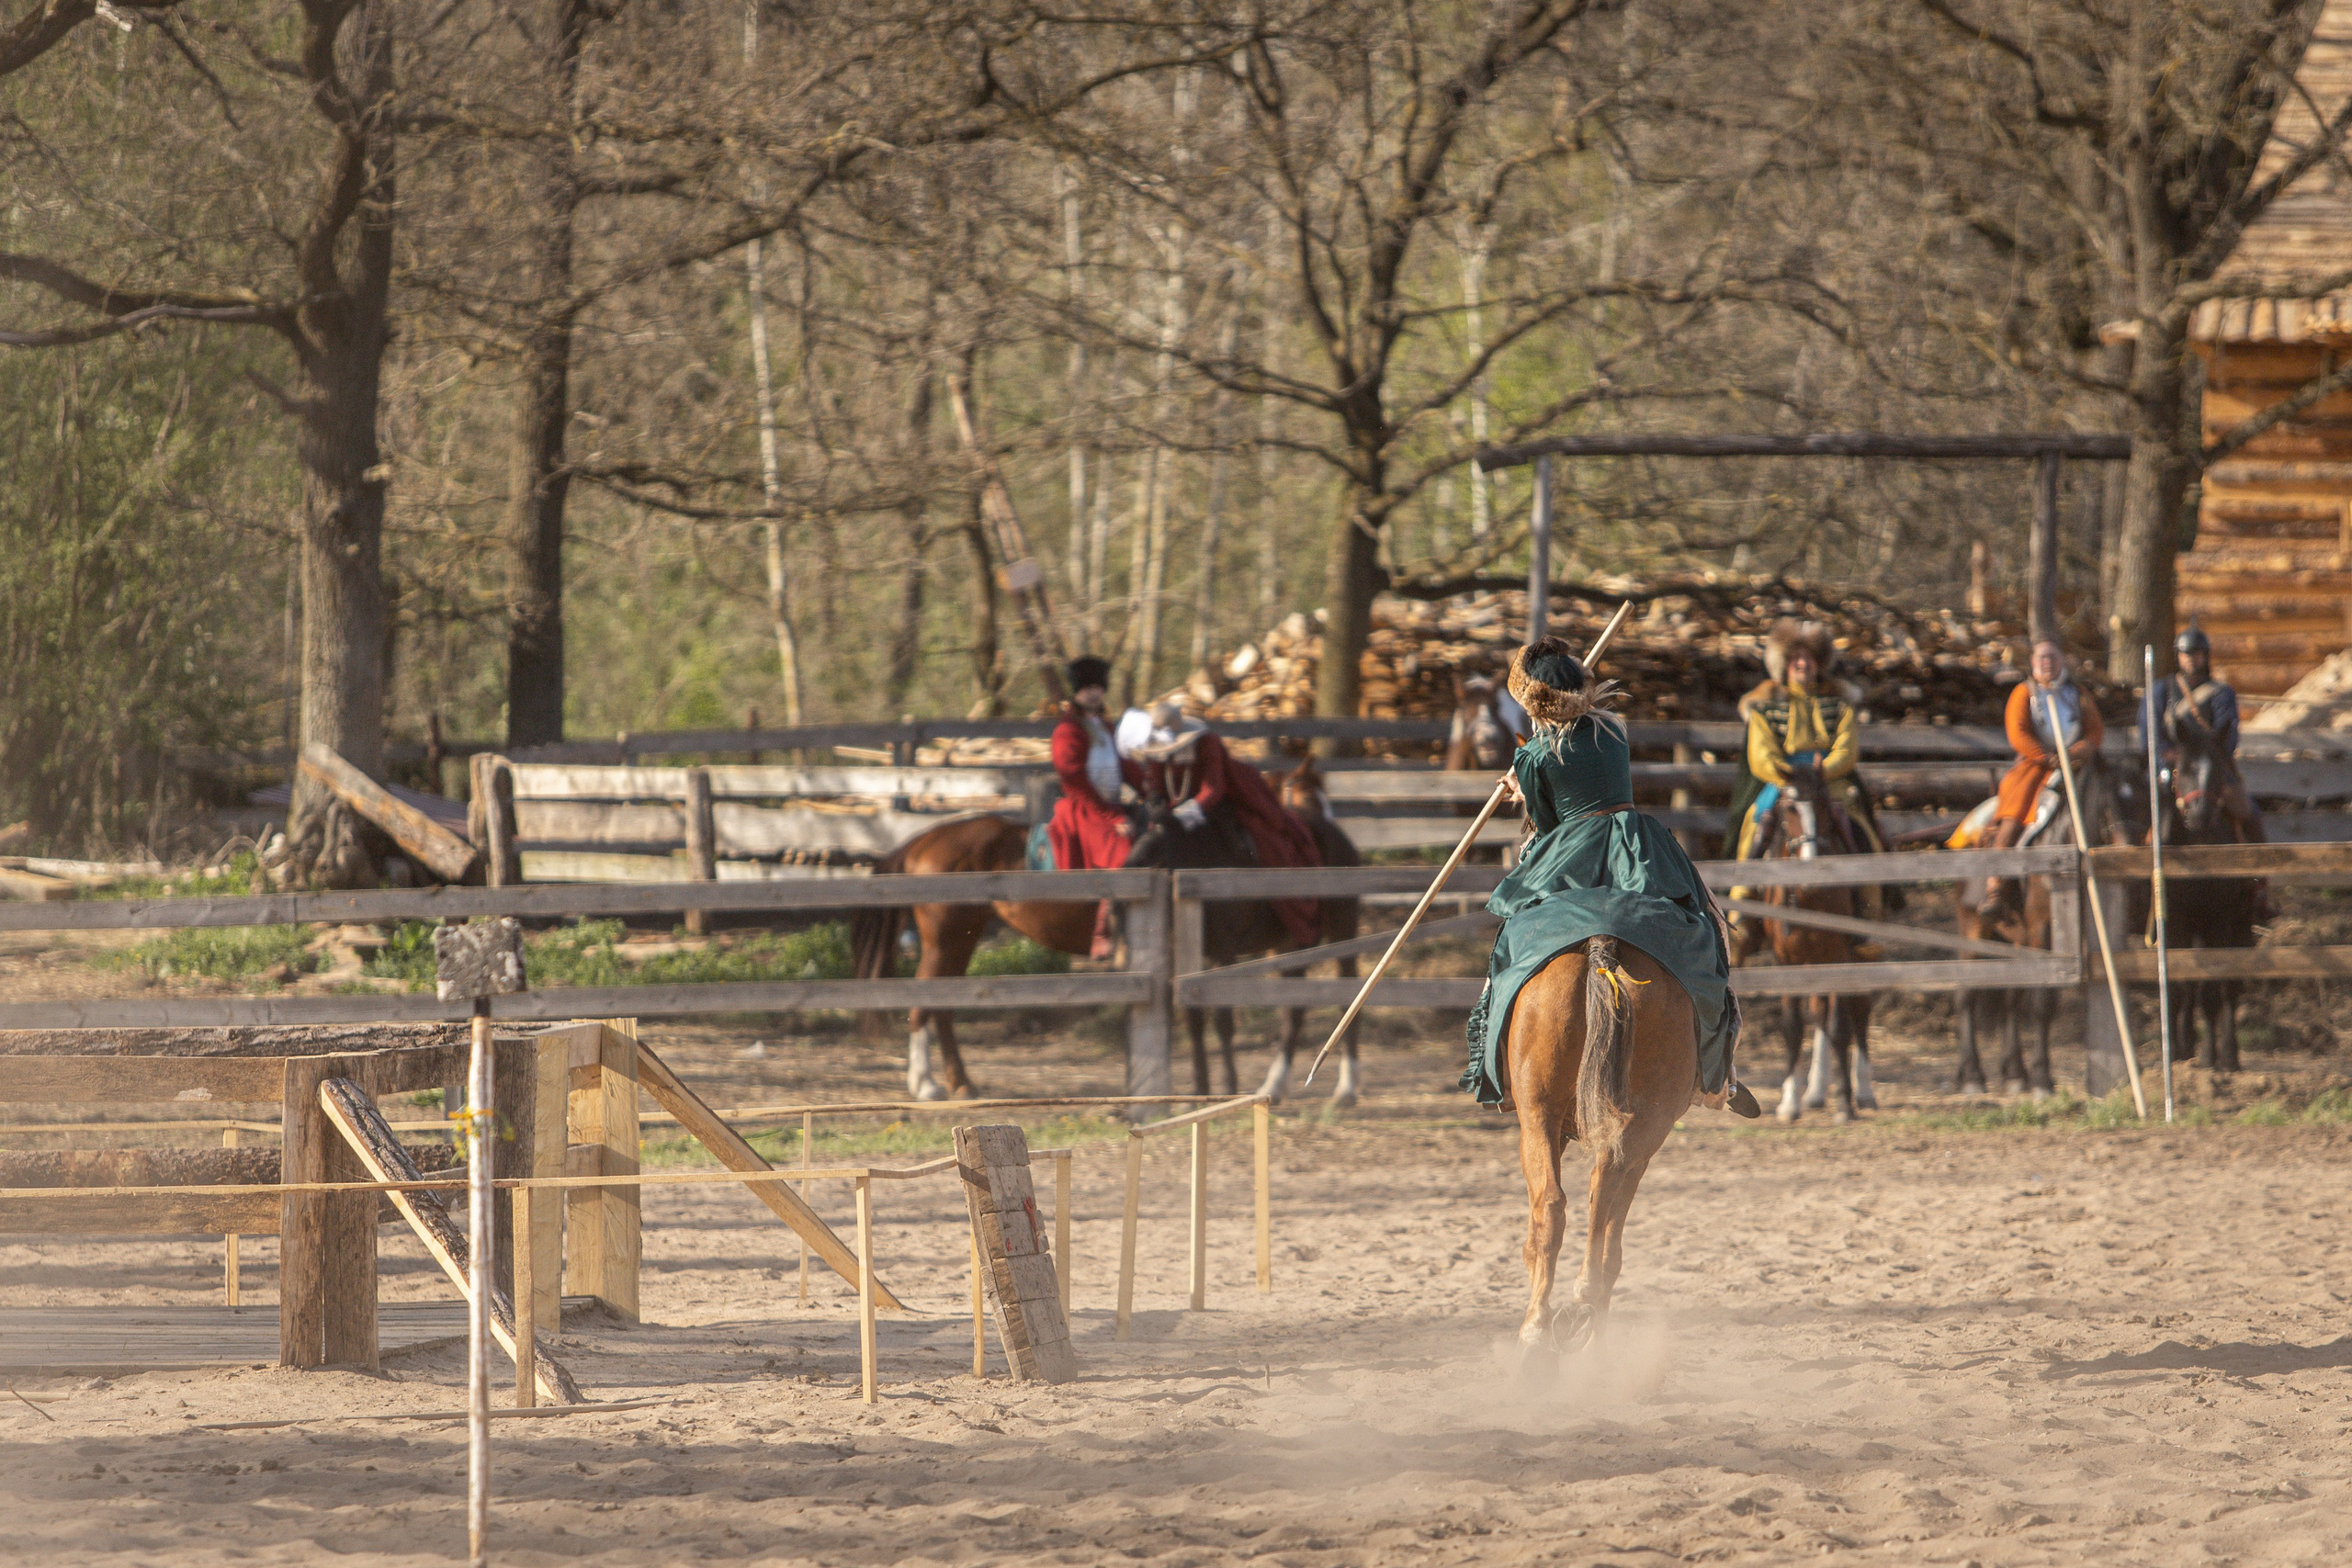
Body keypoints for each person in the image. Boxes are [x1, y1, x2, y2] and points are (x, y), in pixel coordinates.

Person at [1460, 637, 1758, 1119]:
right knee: (1709, 930)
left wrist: (1522, 785)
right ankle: (1720, 1070)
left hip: (1569, 854)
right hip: (1636, 847)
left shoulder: (1534, 755)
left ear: (1531, 703)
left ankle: (1502, 1066)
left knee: (1511, 941)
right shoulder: (1613, 732)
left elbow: (1547, 823)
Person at [1128, 701, 1322, 948]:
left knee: (1265, 842)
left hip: (1221, 800)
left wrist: (1182, 815)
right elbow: (1155, 781)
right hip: (1177, 807)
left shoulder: (1208, 743)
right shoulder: (1153, 748)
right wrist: (1157, 804)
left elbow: (1213, 789)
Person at [1983, 639, 2101, 904]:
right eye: (2042, 658)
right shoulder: (2025, 693)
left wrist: (2076, 752)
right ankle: (1996, 885)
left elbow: (2094, 730)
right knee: (2015, 811)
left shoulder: (2077, 693)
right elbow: (2018, 733)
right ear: (2033, 662)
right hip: (2036, 766)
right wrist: (2047, 757)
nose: (2047, 662)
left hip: (2075, 764)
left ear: (2062, 660)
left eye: (2052, 657)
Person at [1046, 656, 1143, 958]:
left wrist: (1153, 791)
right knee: (1123, 850)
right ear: (1076, 692)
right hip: (1082, 809)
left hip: (1109, 804)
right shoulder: (1068, 731)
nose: (1093, 694)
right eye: (1087, 688)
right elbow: (1073, 779)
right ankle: (1102, 931)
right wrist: (1111, 815)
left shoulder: (1106, 727)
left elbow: (1125, 767)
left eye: (1098, 688)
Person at [2152, 625, 2266, 843]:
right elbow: (2152, 736)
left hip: (2212, 763)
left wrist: (2210, 756)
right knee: (2152, 812)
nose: (2191, 659)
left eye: (2196, 654)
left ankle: (2257, 871)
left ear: (2205, 656)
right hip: (2172, 765)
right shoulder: (2161, 691)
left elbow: (2228, 735)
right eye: (2186, 654)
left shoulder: (2221, 693)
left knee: (2247, 811)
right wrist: (2170, 757)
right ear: (2178, 656)